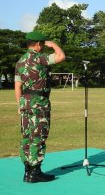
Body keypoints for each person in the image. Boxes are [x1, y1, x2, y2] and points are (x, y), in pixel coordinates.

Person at [14, 31, 65, 183]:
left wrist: (20, 104)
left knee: (27, 136)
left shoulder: (20, 61)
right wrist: (54, 45)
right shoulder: (40, 58)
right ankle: (35, 172)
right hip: (39, 102)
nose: (43, 46)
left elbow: (17, 86)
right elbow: (61, 56)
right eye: (43, 44)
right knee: (38, 136)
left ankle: (27, 171)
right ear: (38, 44)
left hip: (24, 102)